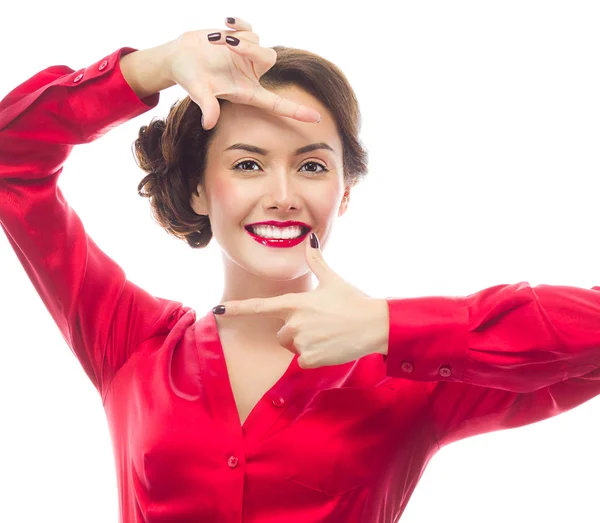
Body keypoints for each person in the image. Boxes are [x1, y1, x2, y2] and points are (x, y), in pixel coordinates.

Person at [1, 16, 599, 523]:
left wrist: (390, 328)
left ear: (344, 192)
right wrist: (153, 67)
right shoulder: (130, 342)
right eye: (248, 165)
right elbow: (11, 158)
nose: (283, 195)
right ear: (199, 189)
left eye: (312, 167)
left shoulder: (410, 375)